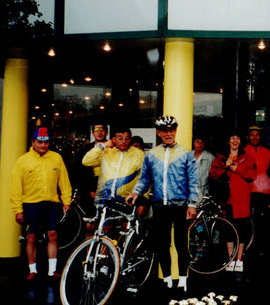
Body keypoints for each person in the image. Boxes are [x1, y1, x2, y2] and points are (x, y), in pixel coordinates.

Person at [126, 116, 199, 292]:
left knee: (181, 244)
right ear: (159, 133)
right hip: (159, 206)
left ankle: (183, 279)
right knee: (162, 244)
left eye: (171, 130)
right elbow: (144, 179)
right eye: (165, 131)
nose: (168, 133)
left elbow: (194, 181)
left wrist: (192, 204)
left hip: (180, 205)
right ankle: (167, 279)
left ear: (175, 131)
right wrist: (135, 192)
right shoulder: (151, 155)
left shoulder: (186, 154)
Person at [10, 127, 72, 280]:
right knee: (31, 237)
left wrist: (66, 200)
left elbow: (64, 181)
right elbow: (15, 187)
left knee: (53, 235)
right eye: (39, 142)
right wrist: (18, 209)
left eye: (46, 143)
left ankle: (52, 271)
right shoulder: (23, 161)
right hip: (30, 204)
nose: (43, 146)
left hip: (50, 204)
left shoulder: (56, 158)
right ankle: (33, 270)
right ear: (33, 142)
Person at [210, 129, 257, 273]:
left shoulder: (247, 157)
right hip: (227, 200)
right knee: (228, 231)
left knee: (241, 231)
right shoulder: (221, 157)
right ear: (228, 141)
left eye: (237, 138)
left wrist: (237, 168)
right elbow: (213, 174)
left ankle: (239, 259)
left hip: (242, 200)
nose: (235, 141)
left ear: (241, 141)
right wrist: (225, 166)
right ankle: (230, 259)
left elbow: (252, 175)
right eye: (232, 138)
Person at [82, 125, 145, 206]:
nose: (123, 141)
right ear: (114, 139)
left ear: (130, 140)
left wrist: (144, 200)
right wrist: (102, 145)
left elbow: (145, 178)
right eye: (120, 138)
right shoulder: (107, 152)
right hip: (105, 199)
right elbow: (86, 161)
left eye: (127, 138)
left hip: (128, 200)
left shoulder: (139, 154)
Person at [75, 122, 109, 210]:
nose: (99, 132)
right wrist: (90, 190)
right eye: (96, 130)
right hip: (89, 191)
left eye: (102, 129)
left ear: (107, 132)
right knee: (90, 221)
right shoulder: (85, 149)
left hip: (108, 189)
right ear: (93, 133)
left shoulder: (112, 148)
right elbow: (81, 171)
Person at [191, 133, 215, 197]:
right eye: (197, 142)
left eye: (202, 142)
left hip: (204, 192)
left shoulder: (210, 158)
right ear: (193, 143)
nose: (199, 144)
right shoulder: (188, 156)